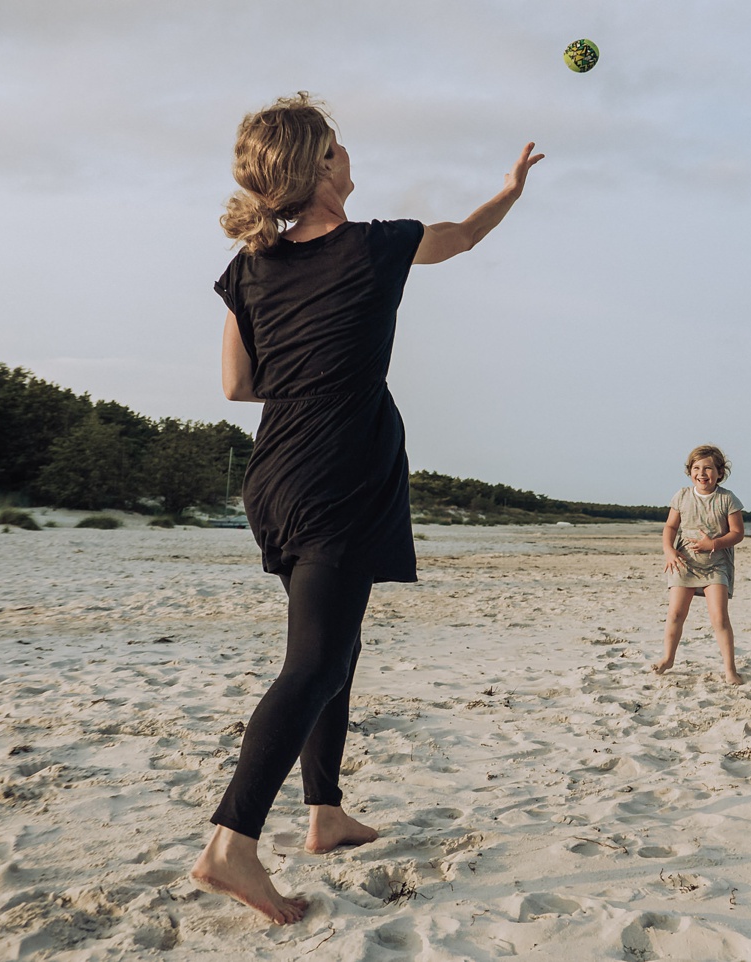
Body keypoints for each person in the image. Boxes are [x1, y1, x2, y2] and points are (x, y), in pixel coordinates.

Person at [190, 92, 542, 924]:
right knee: (313, 662)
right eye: (338, 149)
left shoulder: (249, 264)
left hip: (275, 477)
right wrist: (513, 191)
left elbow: (238, 387)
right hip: (340, 473)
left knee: (333, 646)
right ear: (318, 168)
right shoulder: (375, 245)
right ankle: (229, 849)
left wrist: (311, 368)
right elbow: (463, 235)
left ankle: (325, 814)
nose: (351, 158)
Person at [653, 444, 745, 685]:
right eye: (696, 468)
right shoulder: (682, 495)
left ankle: (730, 670)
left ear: (719, 472)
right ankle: (668, 658)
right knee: (675, 613)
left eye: (708, 468)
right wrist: (669, 550)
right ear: (689, 471)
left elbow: (737, 533)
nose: (702, 473)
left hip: (716, 565)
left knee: (719, 618)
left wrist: (712, 544)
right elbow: (670, 527)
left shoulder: (727, 498)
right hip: (684, 562)